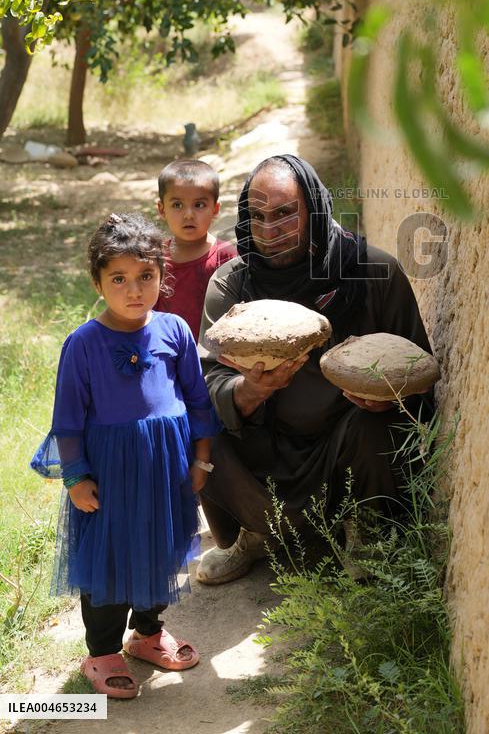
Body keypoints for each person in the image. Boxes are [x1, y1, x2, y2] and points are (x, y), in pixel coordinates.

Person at [196, 154, 433, 585]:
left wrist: (390, 400)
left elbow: (420, 372)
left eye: (285, 214)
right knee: (186, 424)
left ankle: (365, 529)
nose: (270, 231)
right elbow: (208, 383)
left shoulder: (372, 273)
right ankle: (255, 532)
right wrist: (253, 390)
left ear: (315, 210)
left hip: (344, 447)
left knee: (376, 427)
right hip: (265, 445)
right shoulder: (231, 286)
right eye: (258, 216)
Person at [30, 213, 220, 699]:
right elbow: (68, 422)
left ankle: (148, 633)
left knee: (159, 551)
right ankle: (102, 651)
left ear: (161, 275)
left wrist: (200, 459)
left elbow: (198, 400)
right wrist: (75, 476)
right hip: (110, 473)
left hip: (166, 469)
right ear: (97, 281)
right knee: (109, 559)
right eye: (118, 279)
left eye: (146, 277)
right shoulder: (84, 344)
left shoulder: (175, 330)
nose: (134, 290)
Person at [155, 158, 236, 340]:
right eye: (177, 205)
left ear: (215, 209)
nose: (189, 215)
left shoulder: (227, 257)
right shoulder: (154, 258)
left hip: (212, 360)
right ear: (162, 209)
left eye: (199, 205)